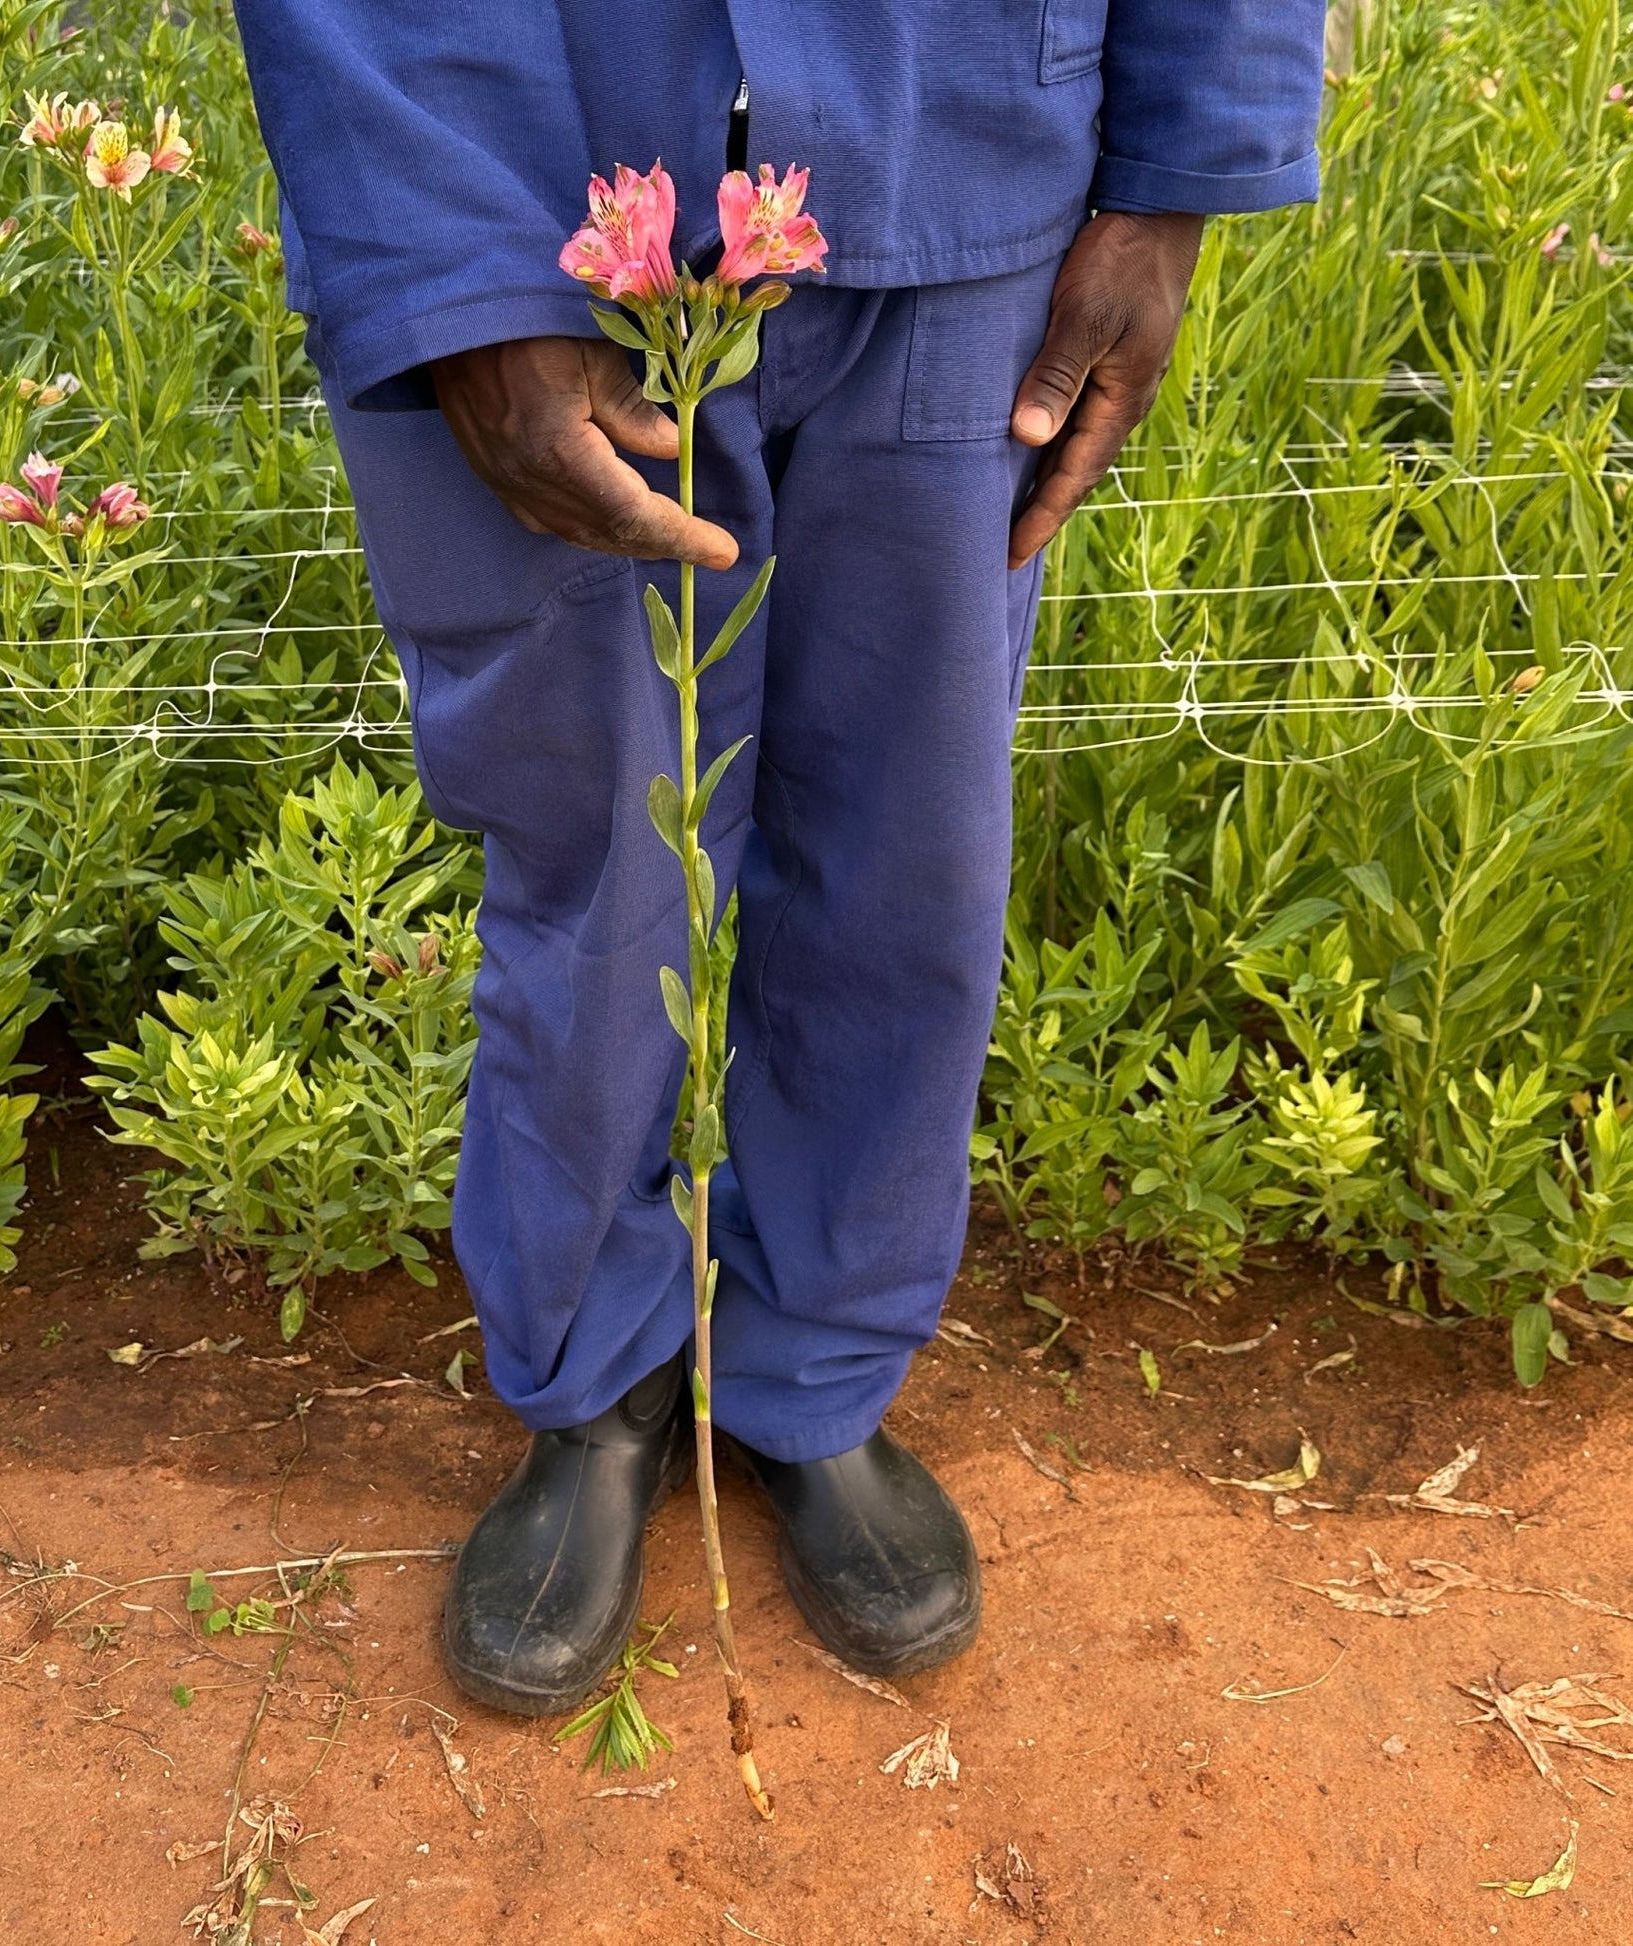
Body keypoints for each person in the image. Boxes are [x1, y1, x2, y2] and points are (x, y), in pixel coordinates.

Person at [232, 2, 1328, 1713]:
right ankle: (596, 1380)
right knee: (597, 854)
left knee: (914, 853)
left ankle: (813, 1373)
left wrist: (1175, 175)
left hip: (968, 164)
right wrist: (445, 259)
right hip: (534, 182)